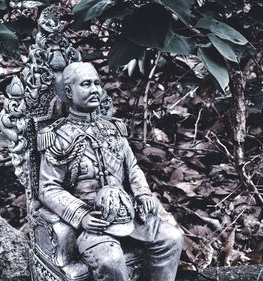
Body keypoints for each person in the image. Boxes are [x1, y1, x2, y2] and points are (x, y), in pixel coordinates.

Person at [38, 62, 183, 281]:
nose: (95, 90)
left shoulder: (113, 129)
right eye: (86, 84)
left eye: (97, 83)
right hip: (90, 224)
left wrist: (143, 194)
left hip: (127, 216)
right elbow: (48, 188)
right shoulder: (58, 137)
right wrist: (82, 215)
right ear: (69, 91)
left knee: (171, 237)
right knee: (111, 259)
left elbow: (132, 168)